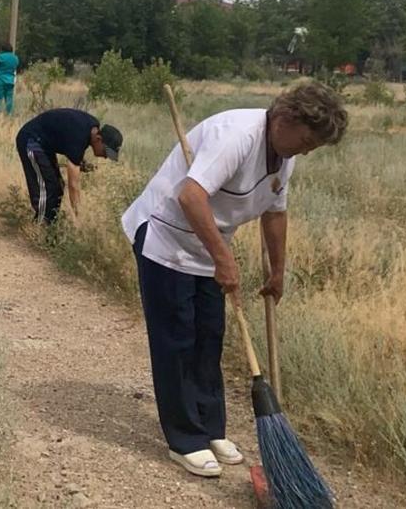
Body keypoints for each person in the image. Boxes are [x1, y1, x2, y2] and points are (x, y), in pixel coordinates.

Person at [120, 82, 347, 478]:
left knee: (209, 337)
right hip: (166, 237)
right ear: (286, 119)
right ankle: (185, 440)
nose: (308, 150)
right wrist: (225, 260)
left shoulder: (284, 153)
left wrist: (277, 271)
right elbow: (191, 197)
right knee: (177, 339)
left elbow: (275, 212)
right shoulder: (236, 136)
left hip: (208, 244)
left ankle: (211, 429)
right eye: (308, 140)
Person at [16, 108, 123, 224]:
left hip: (43, 144)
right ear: (98, 139)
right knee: (49, 187)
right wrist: (78, 217)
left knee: (57, 187)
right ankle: (40, 227)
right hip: (30, 140)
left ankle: (50, 227)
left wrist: (81, 162)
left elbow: (68, 136)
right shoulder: (80, 135)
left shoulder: (92, 127)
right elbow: (73, 185)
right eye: (106, 152)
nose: (105, 157)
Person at [0, 43, 20, 114]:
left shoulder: (0, 57)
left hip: (1, 79)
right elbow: (16, 66)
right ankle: (9, 114)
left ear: (2, 50)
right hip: (11, 79)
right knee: (9, 98)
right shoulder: (15, 58)